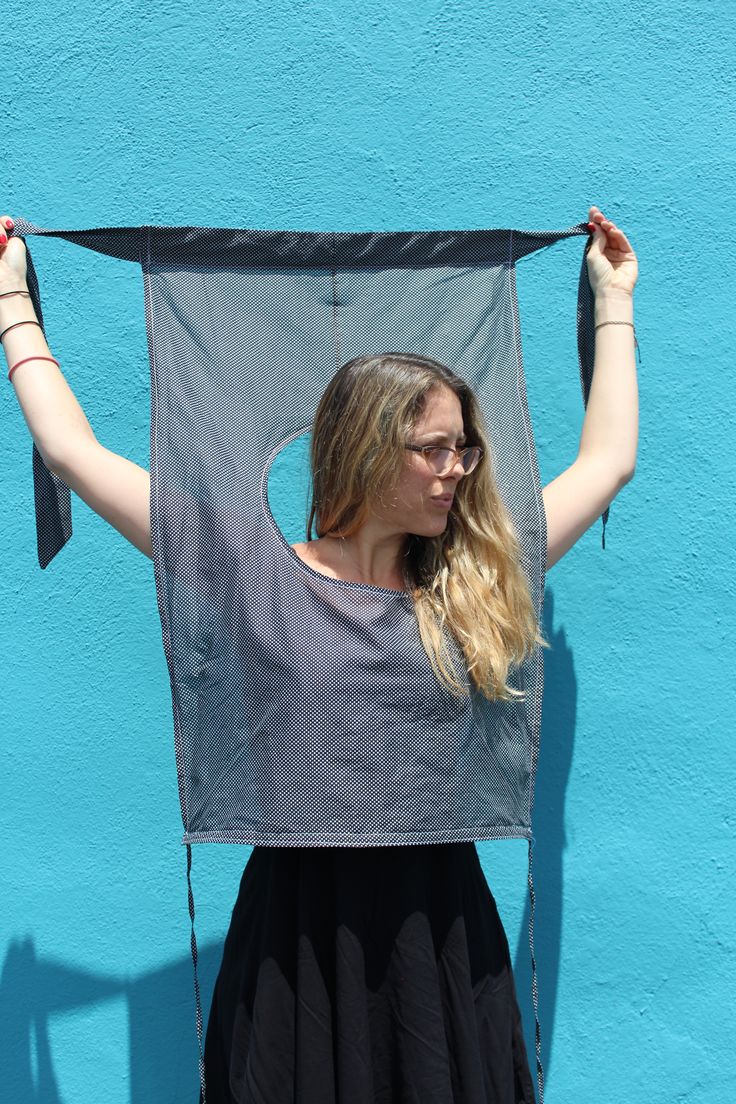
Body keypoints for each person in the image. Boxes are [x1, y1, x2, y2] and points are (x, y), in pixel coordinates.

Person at [1, 205, 639, 1103]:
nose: (459, 467)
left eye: (465, 446)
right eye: (435, 448)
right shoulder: (242, 564)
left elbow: (609, 462)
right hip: (296, 941)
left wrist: (613, 299)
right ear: (369, 450)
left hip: (444, 935)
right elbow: (70, 452)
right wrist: (9, 299)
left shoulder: (476, 582)